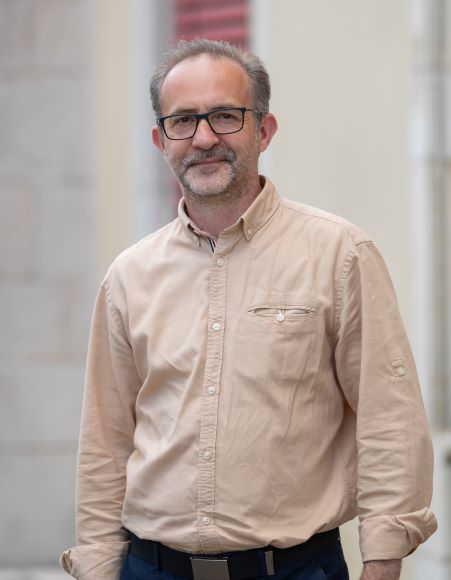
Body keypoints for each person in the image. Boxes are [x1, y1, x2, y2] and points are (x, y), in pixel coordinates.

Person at [61, 39, 437, 580]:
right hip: (151, 569)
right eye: (183, 121)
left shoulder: (340, 254)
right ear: (160, 141)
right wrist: (98, 567)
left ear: (263, 130)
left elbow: (389, 420)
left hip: (294, 569)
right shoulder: (129, 275)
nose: (204, 138)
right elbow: (106, 442)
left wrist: (382, 561)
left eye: (225, 116)